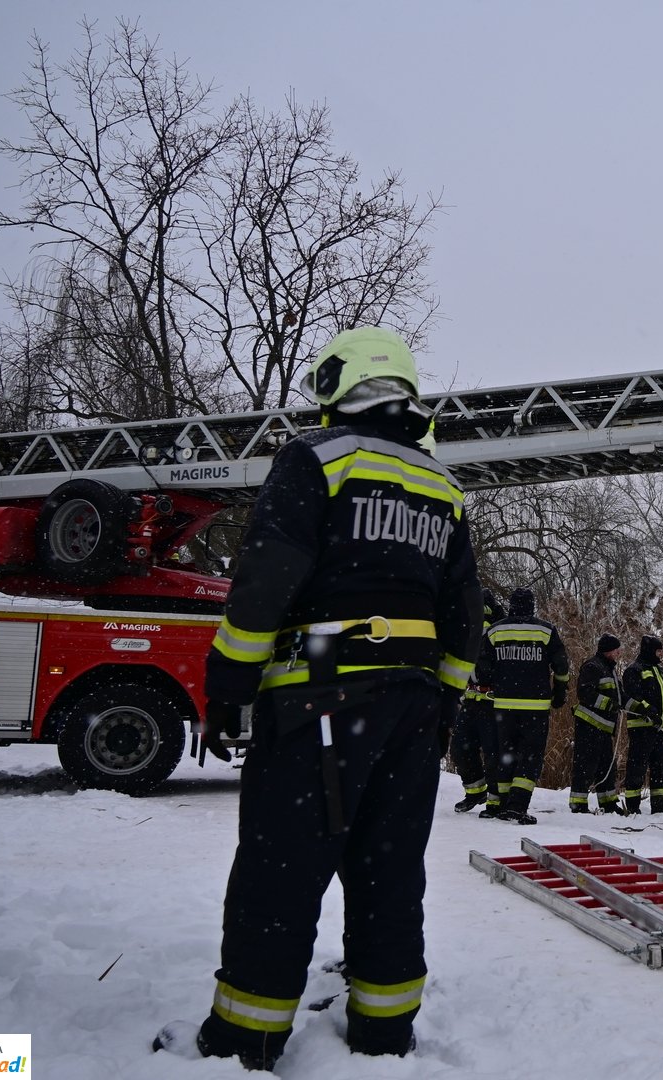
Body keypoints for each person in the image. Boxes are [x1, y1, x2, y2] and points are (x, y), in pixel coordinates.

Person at [159, 326, 482, 1069]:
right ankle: (384, 1030)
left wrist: (229, 687)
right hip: (412, 704)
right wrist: (445, 704)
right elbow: (468, 618)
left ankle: (245, 1036)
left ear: (341, 384)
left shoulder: (316, 459)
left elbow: (267, 581)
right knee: (390, 869)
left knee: (283, 867)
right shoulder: (442, 486)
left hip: (320, 698)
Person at [475, 587, 569, 824]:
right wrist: (559, 693)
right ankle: (517, 807)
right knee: (530, 755)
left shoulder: (496, 629)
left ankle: (504, 804)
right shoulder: (545, 630)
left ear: (511, 605)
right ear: (532, 605)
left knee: (505, 753)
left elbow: (482, 667)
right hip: (535, 706)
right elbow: (561, 667)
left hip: (503, 705)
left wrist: (489, 683)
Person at [451, 588, 504, 814]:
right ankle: (475, 791)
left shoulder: (495, 632)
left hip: (492, 702)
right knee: (460, 747)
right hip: (471, 699)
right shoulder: (467, 632)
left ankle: (496, 798)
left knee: (493, 752)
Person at [620, 634, 663, 814]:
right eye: (659, 651)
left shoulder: (661, 671)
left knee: (661, 767)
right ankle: (632, 806)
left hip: (661, 729)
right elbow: (631, 697)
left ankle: (660, 806)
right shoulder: (634, 670)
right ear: (650, 650)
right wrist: (648, 710)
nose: (661, 655)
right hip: (641, 728)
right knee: (637, 766)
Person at [569, 634, 625, 814]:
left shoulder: (610, 670)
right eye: (617, 650)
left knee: (607, 766)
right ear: (608, 650)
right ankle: (578, 803)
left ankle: (608, 802)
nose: (619, 653)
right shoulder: (592, 666)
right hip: (589, 725)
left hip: (604, 727)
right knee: (585, 765)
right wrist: (610, 704)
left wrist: (643, 709)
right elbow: (585, 693)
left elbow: (621, 698)